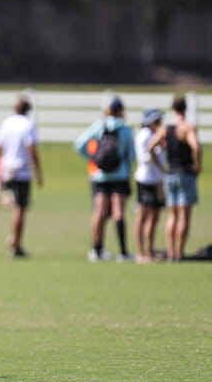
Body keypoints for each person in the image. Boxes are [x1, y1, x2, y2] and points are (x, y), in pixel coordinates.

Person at [74, 97, 136, 262]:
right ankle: (123, 252)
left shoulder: (99, 126)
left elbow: (79, 144)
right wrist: (127, 169)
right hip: (120, 175)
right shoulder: (125, 130)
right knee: (118, 212)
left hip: (100, 175)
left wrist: (93, 158)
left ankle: (97, 250)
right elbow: (131, 155)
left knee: (99, 212)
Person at [147, 95, 202, 261]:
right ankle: (179, 253)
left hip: (170, 174)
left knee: (172, 215)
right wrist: (197, 164)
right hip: (185, 173)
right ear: (185, 108)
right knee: (184, 215)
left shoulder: (166, 129)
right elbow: (196, 147)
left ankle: (170, 253)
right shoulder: (187, 127)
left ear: (173, 108)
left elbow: (150, 147)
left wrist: (161, 167)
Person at [0, 96, 43, 258]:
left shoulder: (6, 123)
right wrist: (38, 172)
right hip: (21, 171)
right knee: (20, 208)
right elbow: (32, 149)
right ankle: (15, 244)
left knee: (11, 204)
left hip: (6, 169)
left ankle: (11, 239)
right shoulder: (28, 125)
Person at [133, 108, 166, 263]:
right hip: (146, 180)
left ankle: (150, 251)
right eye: (157, 121)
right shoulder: (144, 135)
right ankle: (141, 252)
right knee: (143, 216)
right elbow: (145, 158)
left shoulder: (153, 135)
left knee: (155, 217)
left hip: (156, 180)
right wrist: (157, 152)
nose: (159, 124)